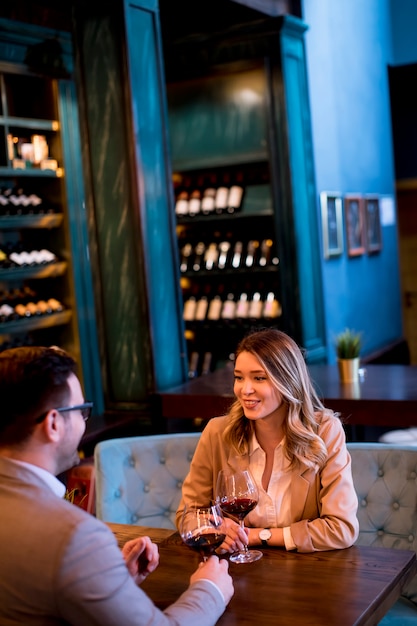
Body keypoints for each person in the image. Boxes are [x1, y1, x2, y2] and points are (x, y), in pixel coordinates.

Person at [0, 346, 233, 626]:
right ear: (53, 424)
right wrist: (210, 589)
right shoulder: (76, 537)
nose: (83, 421)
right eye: (81, 410)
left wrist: (104, 580)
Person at [176, 328, 359, 554]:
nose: (245, 389)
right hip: (235, 574)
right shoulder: (217, 432)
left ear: (288, 382)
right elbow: (189, 515)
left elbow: (341, 528)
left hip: (309, 573)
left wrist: (258, 536)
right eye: (239, 377)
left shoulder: (325, 431)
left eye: (259, 378)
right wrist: (213, 529)